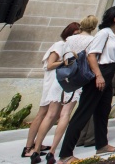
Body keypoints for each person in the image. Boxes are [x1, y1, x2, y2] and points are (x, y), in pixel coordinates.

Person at [58, 6, 115, 163]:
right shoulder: (103, 33)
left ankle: (101, 145)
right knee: (84, 112)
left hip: (111, 72)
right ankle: (65, 154)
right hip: (100, 72)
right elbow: (91, 55)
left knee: (102, 112)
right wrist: (98, 75)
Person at [24, 22, 80, 164]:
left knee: (52, 115)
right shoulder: (59, 45)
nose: (77, 36)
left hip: (59, 83)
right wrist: (66, 62)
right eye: (75, 33)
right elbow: (50, 65)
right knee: (43, 113)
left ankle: (37, 144)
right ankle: (28, 147)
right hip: (52, 83)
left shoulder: (68, 47)